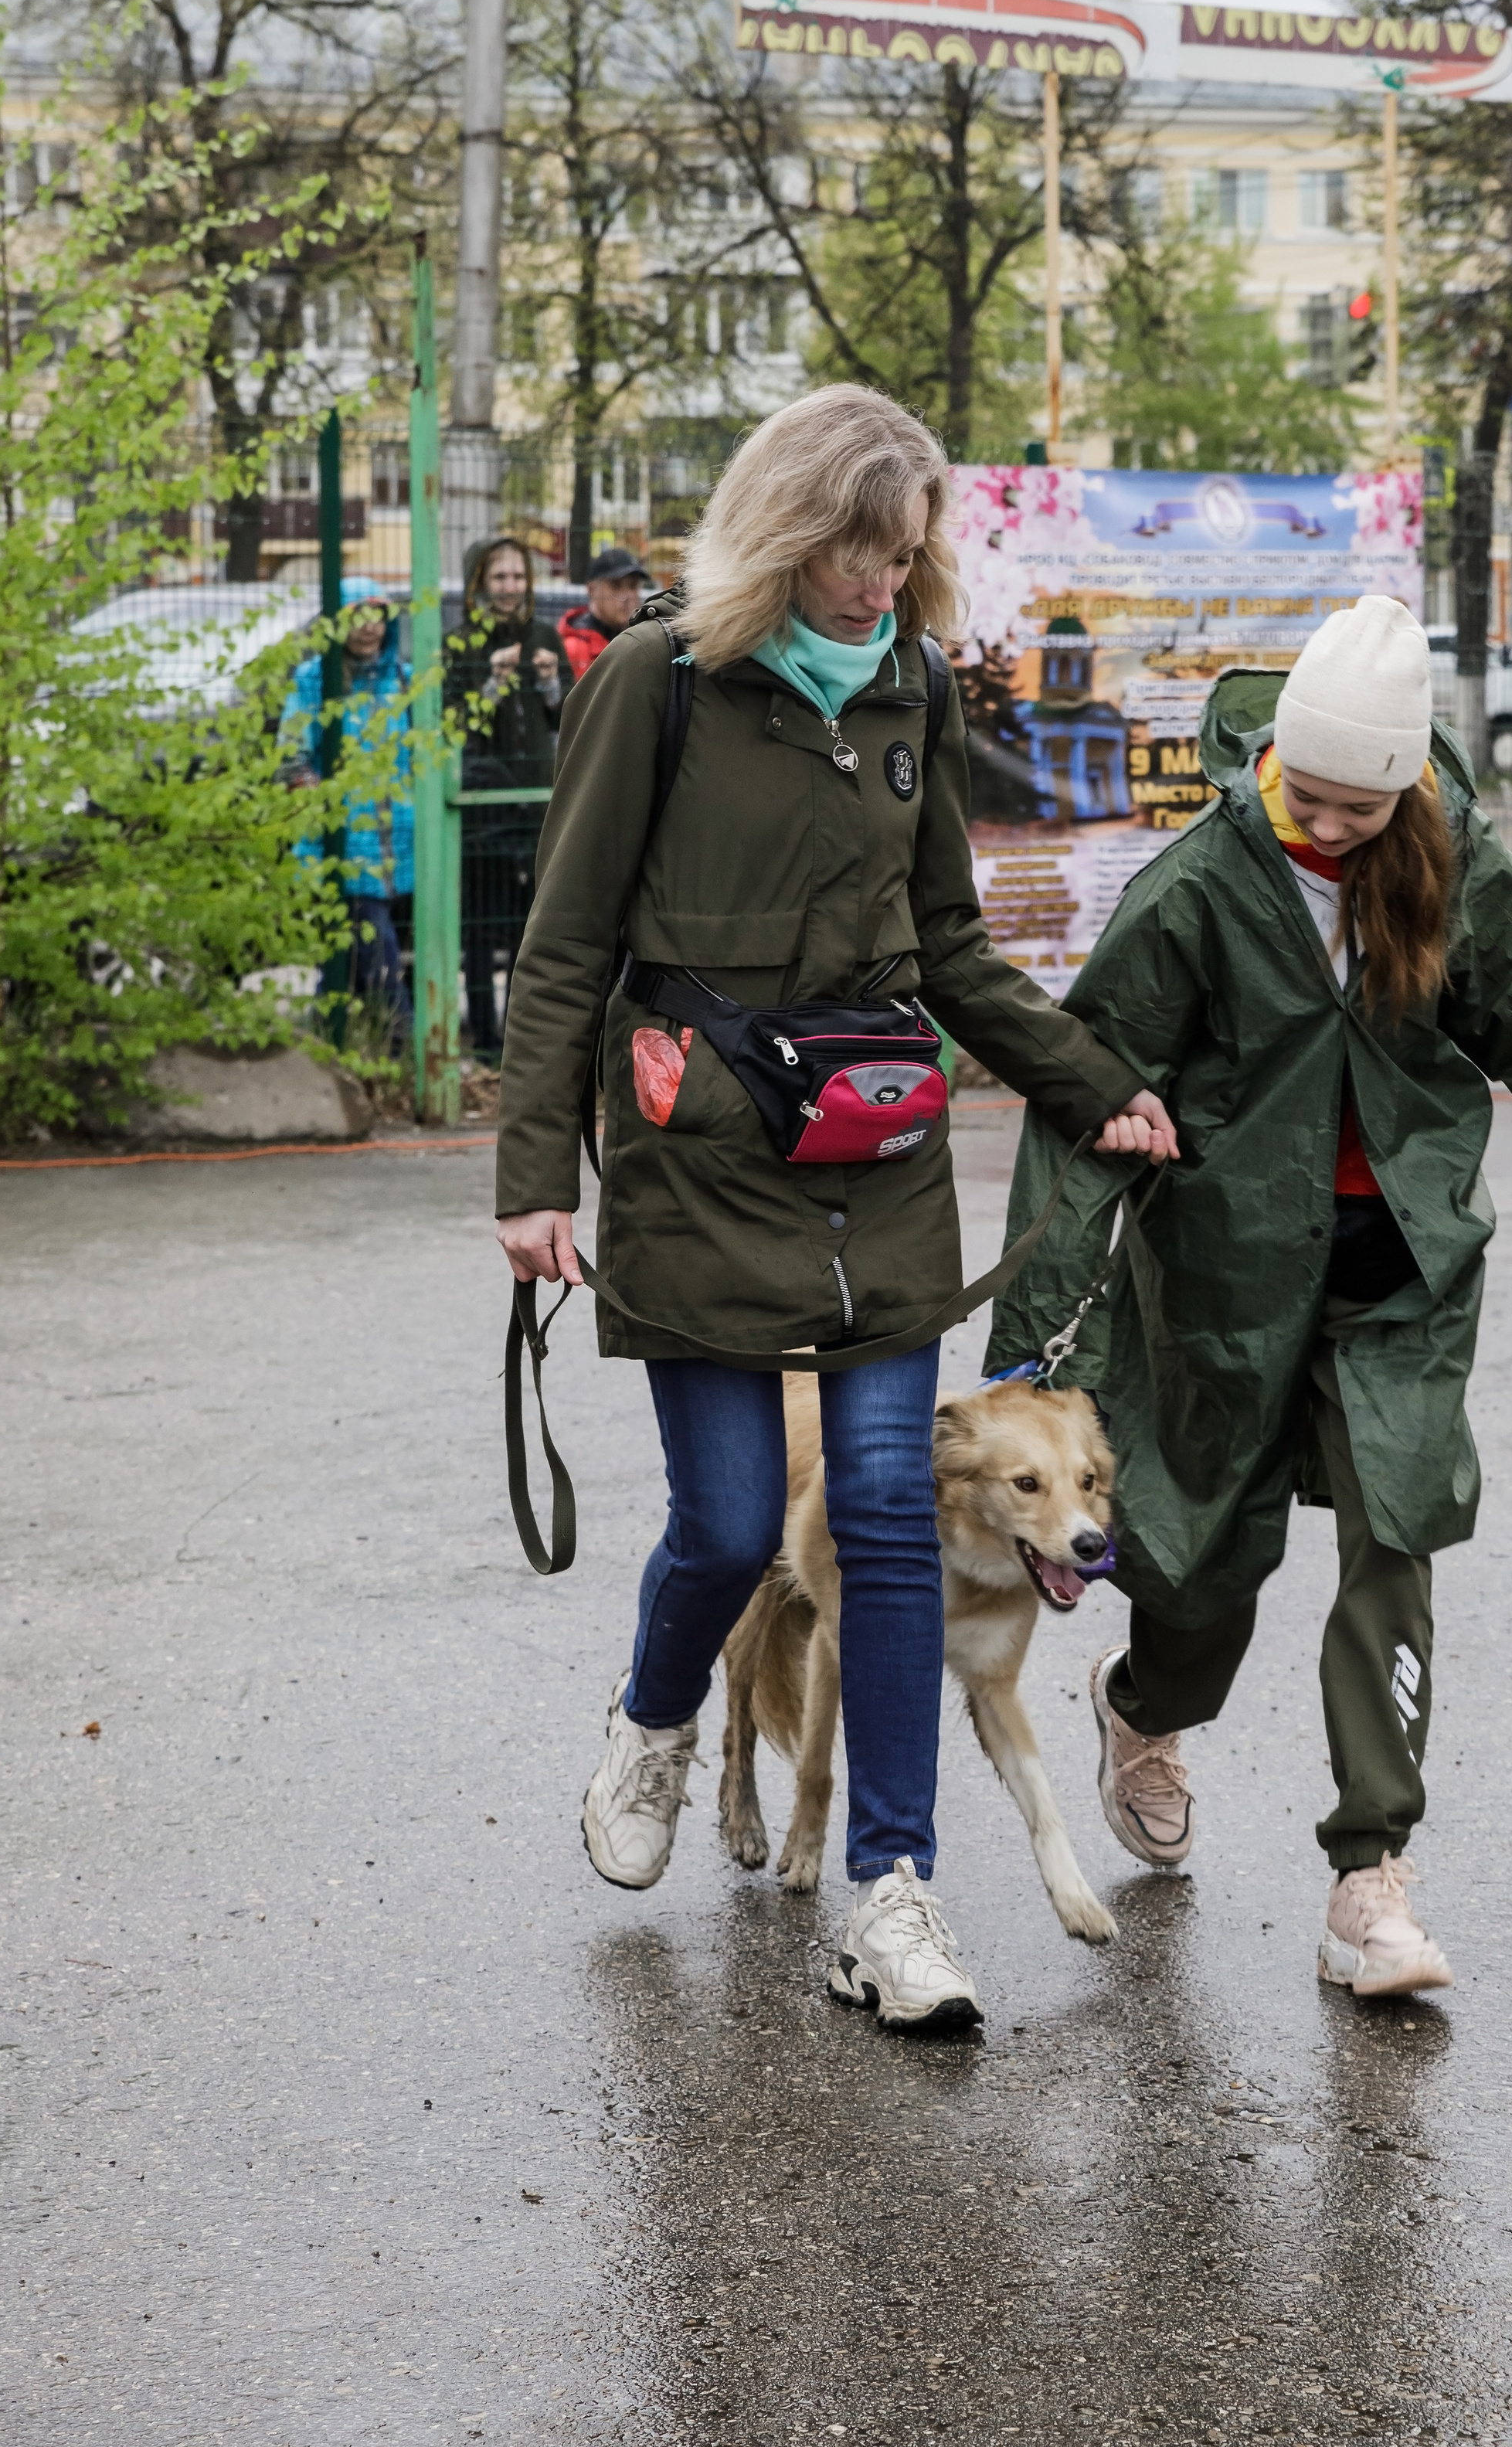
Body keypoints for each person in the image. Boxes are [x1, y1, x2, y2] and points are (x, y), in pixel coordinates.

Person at [491, 385, 1177, 2036]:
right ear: (787, 528)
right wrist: (533, 1178)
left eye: (902, 553)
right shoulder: (658, 680)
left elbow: (946, 943)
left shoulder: (914, 688)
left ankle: (889, 1890)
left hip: (876, 1166)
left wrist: (1087, 1080)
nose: (881, 581)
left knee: (880, 1517)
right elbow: (567, 947)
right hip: (698, 1152)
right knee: (731, 1529)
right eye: (854, 551)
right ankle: (656, 1719)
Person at [986, 595, 1512, 2003]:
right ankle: (1141, 1708)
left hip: (1399, 1280)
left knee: (1394, 1547)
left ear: (1407, 781)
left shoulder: (1451, 859)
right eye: (1305, 793)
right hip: (1223, 1287)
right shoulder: (1195, 890)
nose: (1327, 821)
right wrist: (1033, 1356)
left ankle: (1370, 1873)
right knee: (1198, 1576)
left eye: (1357, 804)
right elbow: (1084, 1106)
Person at [280, 575, 413, 1048]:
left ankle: (325, 1051)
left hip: (400, 843)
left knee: (344, 962)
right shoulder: (314, 680)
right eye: (357, 615)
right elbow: (292, 756)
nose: (368, 627)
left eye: (377, 614)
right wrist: (320, 799)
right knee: (378, 958)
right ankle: (404, 1050)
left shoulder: (404, 679)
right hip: (340, 844)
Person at [448, 537, 562, 1062]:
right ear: (481, 585)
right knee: (479, 927)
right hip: (482, 806)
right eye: (500, 578)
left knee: (529, 929)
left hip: (535, 801)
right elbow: (456, 725)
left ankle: (523, 1036)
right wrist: (491, 684)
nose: (510, 587)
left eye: (518, 577)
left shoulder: (544, 635)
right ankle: (486, 1039)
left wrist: (548, 682)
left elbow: (564, 717)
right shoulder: (461, 643)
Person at [556, 546, 652, 681]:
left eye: (633, 586)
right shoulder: (571, 649)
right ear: (592, 590)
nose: (628, 596)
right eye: (616, 586)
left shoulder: (646, 643)